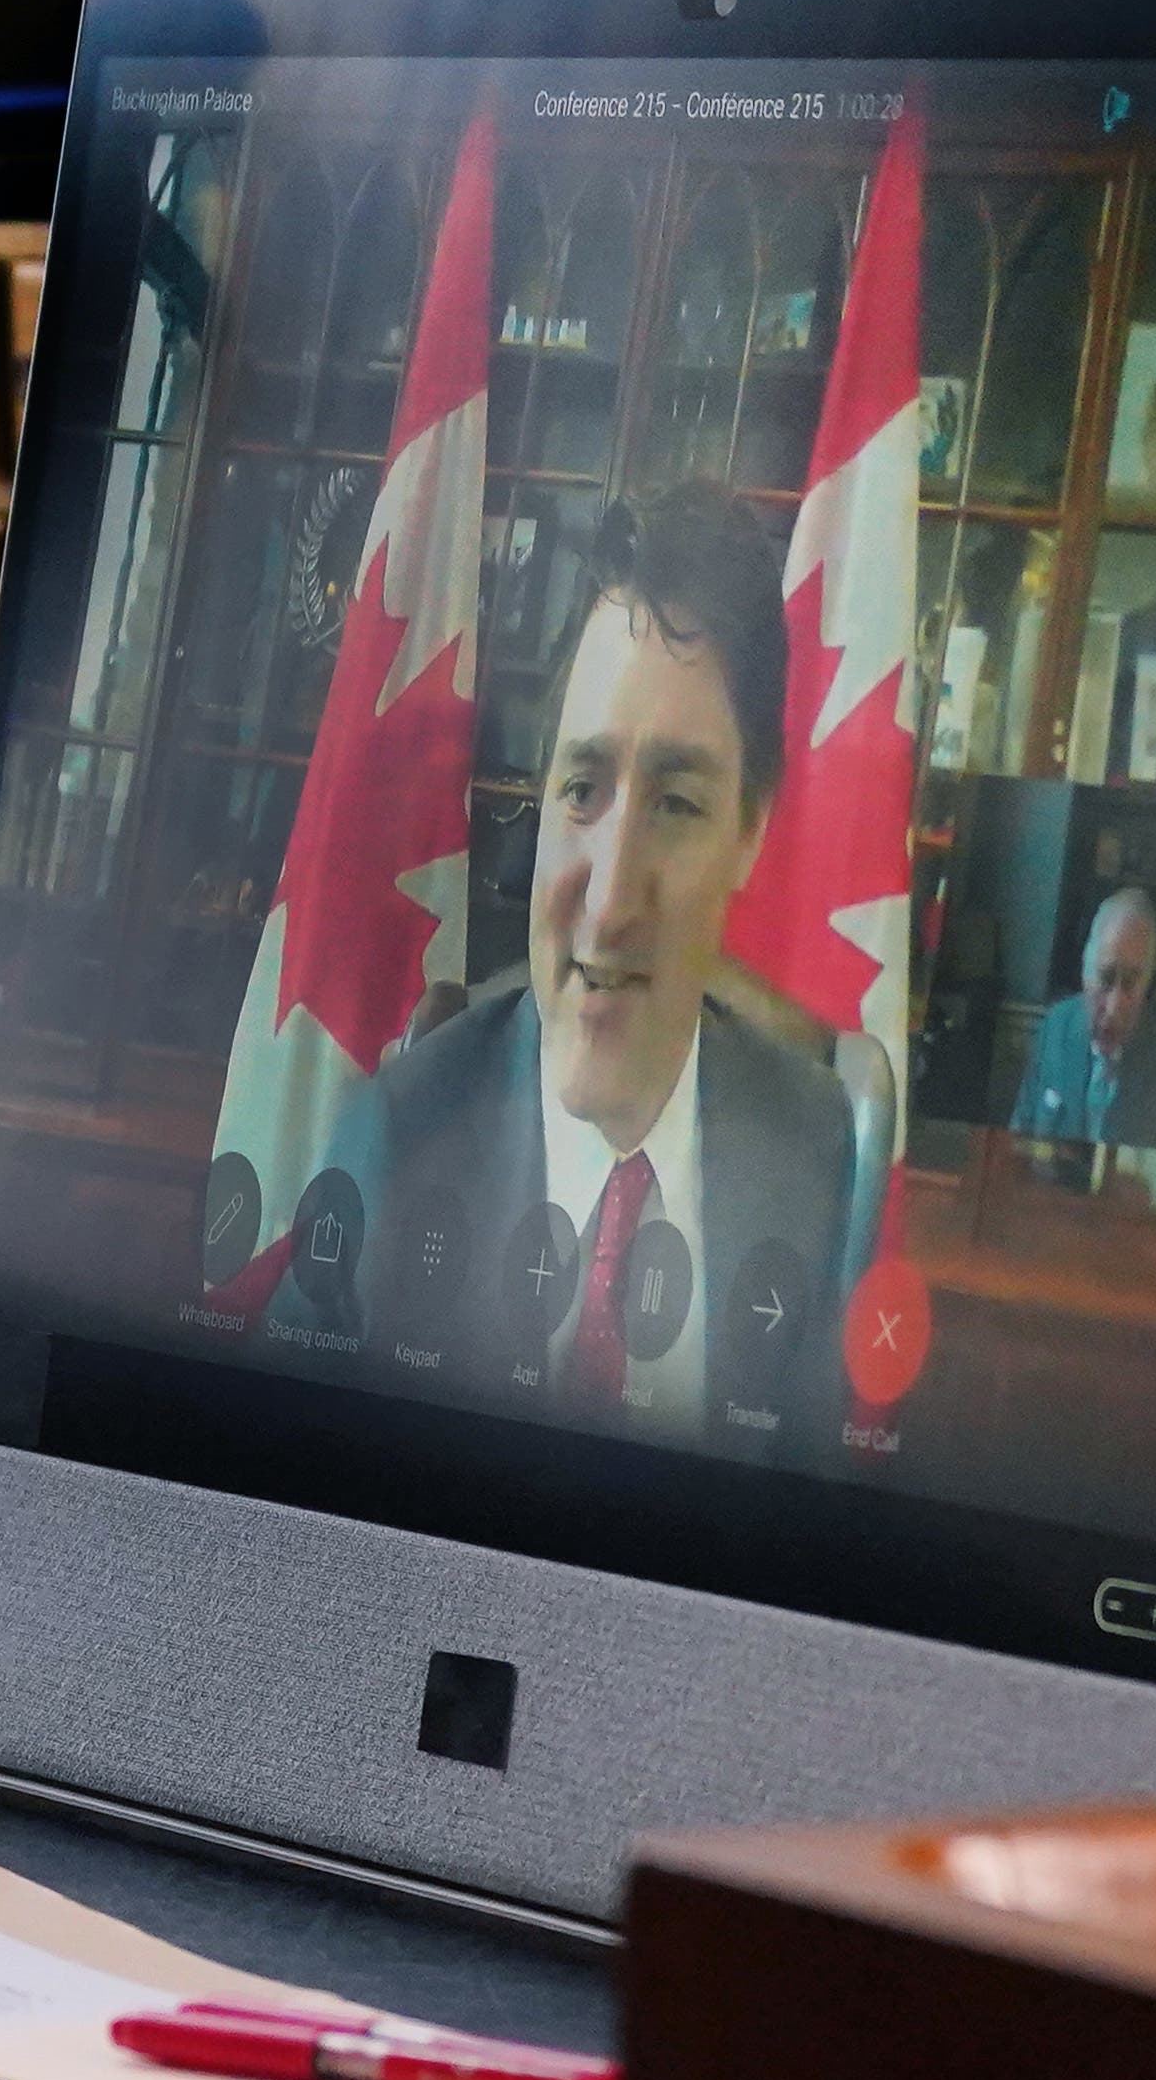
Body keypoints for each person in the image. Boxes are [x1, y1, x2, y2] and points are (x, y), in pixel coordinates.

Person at [283, 488, 853, 1453]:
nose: (610, 899)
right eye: (582, 789)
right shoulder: (393, 1137)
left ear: (751, 832)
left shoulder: (820, 1157)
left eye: (676, 804)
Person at [1012, 885, 1156, 1152]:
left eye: (1130, 984)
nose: (1114, 1005)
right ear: (1086, 971)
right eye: (1106, 979)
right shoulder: (1055, 1028)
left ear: (1147, 985)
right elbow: (1018, 1138)